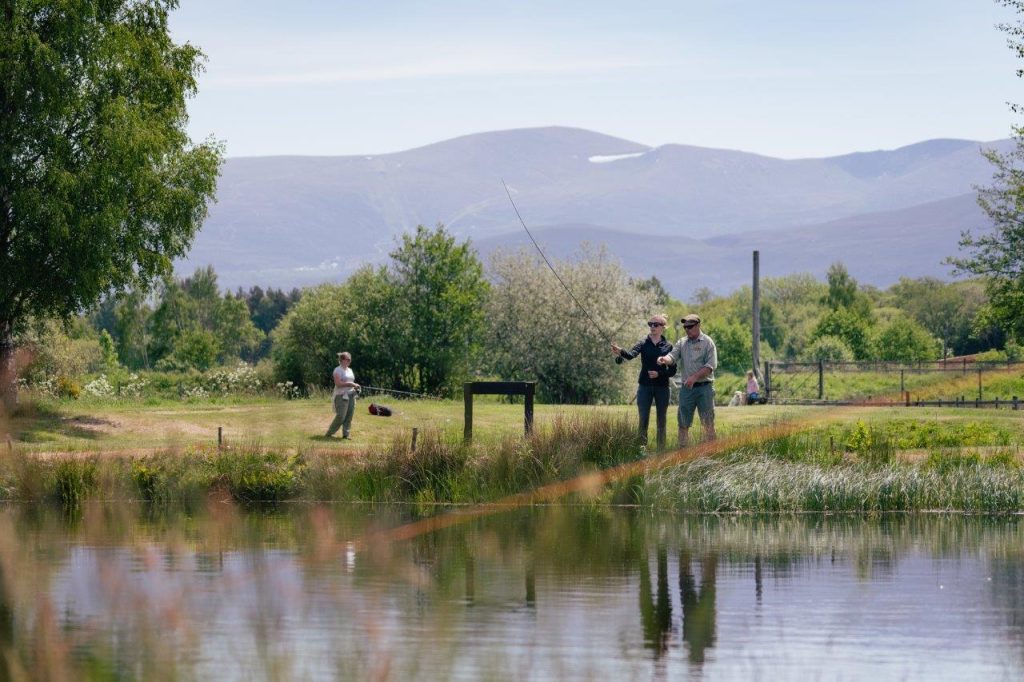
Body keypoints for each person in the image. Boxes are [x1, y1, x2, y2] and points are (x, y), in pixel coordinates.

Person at [611, 314, 676, 450]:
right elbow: (630, 355)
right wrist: (620, 351)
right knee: (643, 420)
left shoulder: (669, 346)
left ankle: (661, 451)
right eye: (650, 324)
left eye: (655, 325)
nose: (652, 327)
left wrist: (659, 373)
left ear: (663, 327)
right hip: (644, 387)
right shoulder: (643, 343)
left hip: (662, 388)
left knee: (661, 421)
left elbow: (673, 371)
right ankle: (641, 451)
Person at [657, 314, 717, 447]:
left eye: (690, 326)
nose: (687, 329)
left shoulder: (708, 342)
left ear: (698, 326)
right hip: (687, 390)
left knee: (708, 424)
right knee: (683, 424)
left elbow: (710, 366)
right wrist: (664, 359)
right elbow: (672, 356)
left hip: (705, 388)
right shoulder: (682, 342)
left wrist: (694, 377)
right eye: (685, 327)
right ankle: (683, 455)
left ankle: (713, 453)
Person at [325, 351, 360, 439]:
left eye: (350, 360)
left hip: (351, 395)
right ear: (342, 360)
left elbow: (351, 382)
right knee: (341, 416)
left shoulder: (350, 370)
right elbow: (338, 384)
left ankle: (346, 434)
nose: (349, 361)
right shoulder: (337, 370)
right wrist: (351, 384)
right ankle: (329, 433)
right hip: (341, 396)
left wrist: (356, 386)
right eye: (347, 359)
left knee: (349, 415)